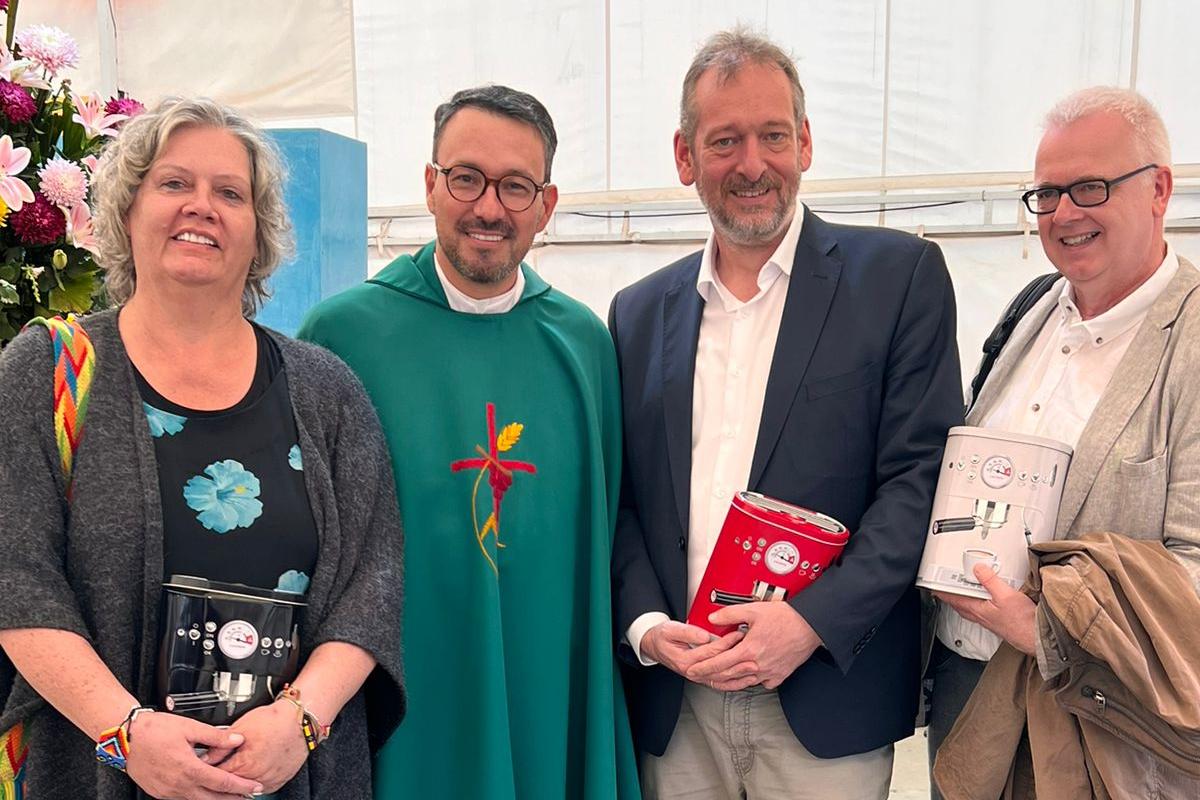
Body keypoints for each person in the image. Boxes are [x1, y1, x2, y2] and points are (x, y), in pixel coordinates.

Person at [0, 97, 405, 799]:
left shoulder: (326, 390)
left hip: (288, 774)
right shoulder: (47, 373)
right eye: (174, 184)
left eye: (230, 193)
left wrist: (300, 724)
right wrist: (125, 733)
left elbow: (372, 584)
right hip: (100, 768)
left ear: (260, 233)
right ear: (127, 212)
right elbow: (17, 579)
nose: (202, 207)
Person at [608, 28, 963, 800]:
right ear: (685, 157)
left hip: (824, 694)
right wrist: (645, 628)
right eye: (724, 140)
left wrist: (808, 623)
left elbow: (920, 481)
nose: (752, 164)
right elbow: (626, 500)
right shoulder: (637, 315)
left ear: (804, 142)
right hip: (680, 700)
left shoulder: (896, 278)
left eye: (772, 135)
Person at [297, 84, 639, 799]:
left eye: (516, 186)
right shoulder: (343, 336)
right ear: (429, 185)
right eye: (466, 178)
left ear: (546, 205)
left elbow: (608, 537)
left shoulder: (583, 345)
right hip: (407, 679)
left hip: (544, 672)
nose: (489, 207)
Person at [931, 86, 1200, 796]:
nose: (1065, 214)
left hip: (1105, 730)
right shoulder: (1028, 313)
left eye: (1090, 187)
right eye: (1047, 194)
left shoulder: (1194, 344)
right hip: (970, 697)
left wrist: (1044, 627)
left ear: (1158, 191)